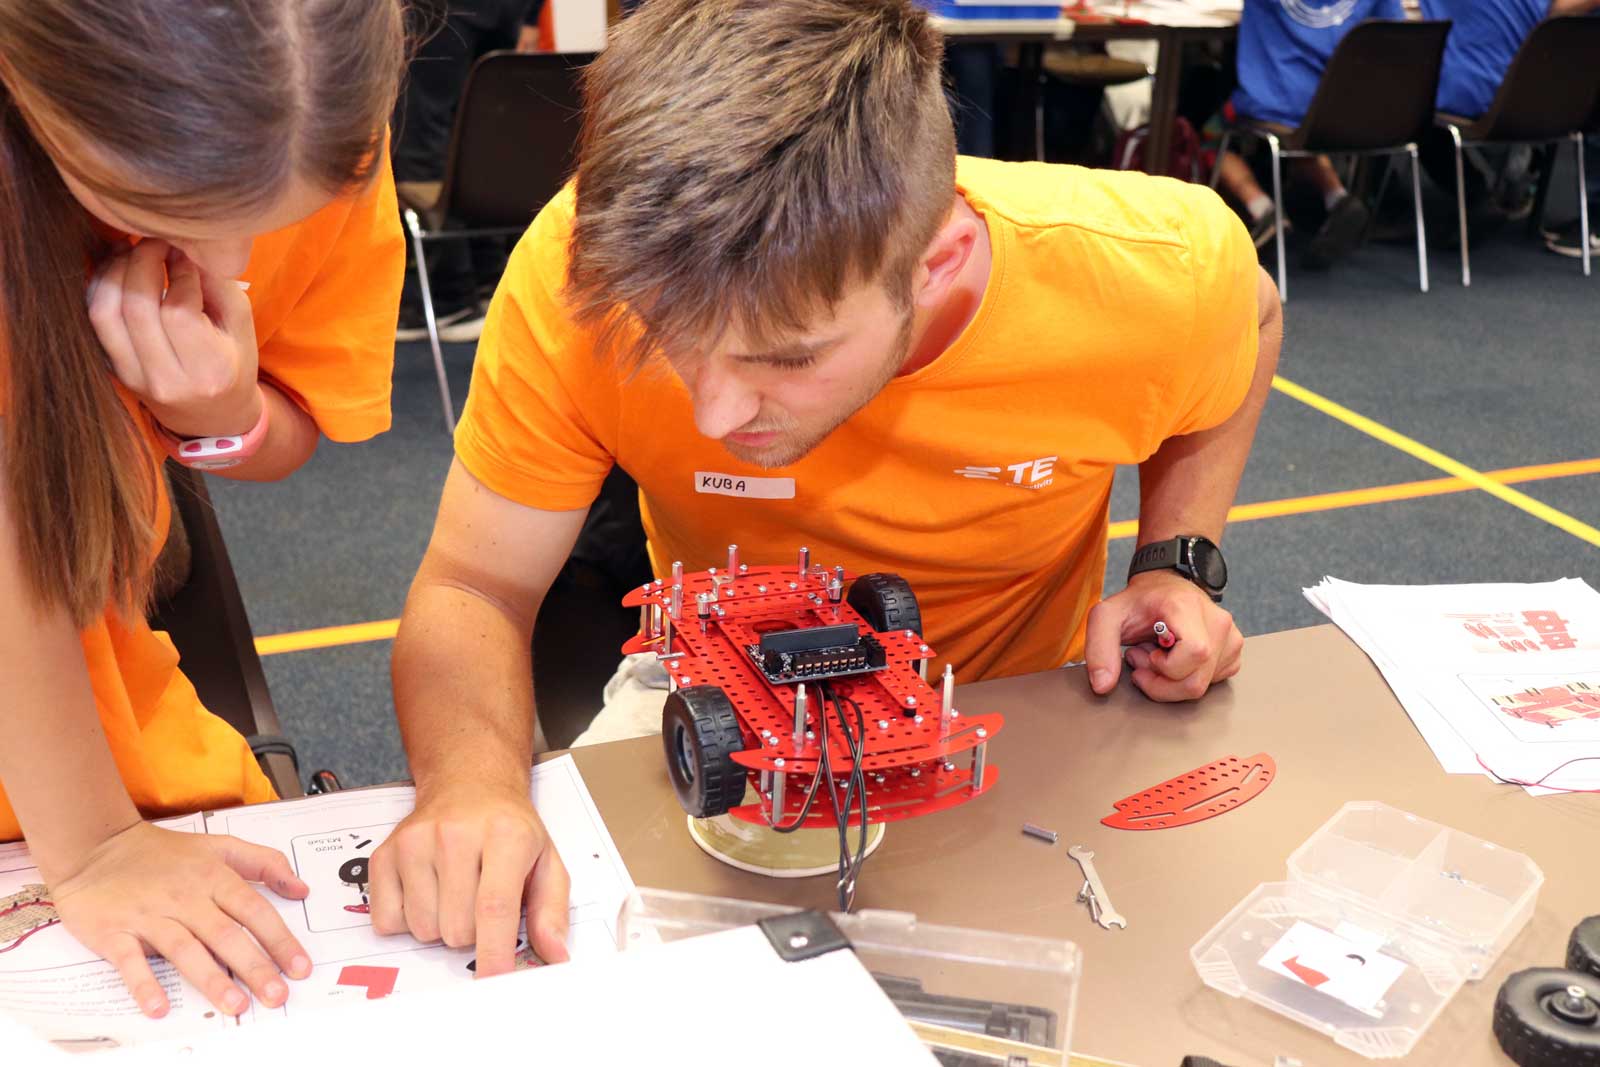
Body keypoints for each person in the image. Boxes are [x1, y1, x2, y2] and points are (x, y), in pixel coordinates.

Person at [377, 0, 1281, 976]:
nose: (715, 413)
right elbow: (472, 586)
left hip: (1020, 721)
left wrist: (1175, 560)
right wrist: (470, 786)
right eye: (670, 340)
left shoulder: (1144, 271)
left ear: (936, 265)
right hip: (723, 713)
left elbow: (1253, 320)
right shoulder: (582, 267)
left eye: (785, 357)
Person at [0, 0, 405, 1020]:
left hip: (108, 717)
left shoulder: (313, 102)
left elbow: (292, 425)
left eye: (273, 220)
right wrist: (91, 847)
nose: (227, 263)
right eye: (152, 204)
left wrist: (222, 415)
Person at [393, 0, 545, 343]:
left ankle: (451, 295)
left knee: (422, 139)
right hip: (500, 8)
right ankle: (487, 277)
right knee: (482, 129)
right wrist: (531, 13)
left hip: (437, 9)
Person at [1219, 0, 1404, 266]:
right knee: (1301, 134)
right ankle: (1337, 197)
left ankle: (1262, 209)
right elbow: (1395, 32)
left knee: (1207, 128)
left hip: (1282, 103)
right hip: (1351, 109)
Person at [1419, 0, 1600, 258]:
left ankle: (1475, 193)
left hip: (1485, 98)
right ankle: (1509, 175)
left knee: (1410, 99)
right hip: (1544, 101)